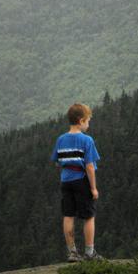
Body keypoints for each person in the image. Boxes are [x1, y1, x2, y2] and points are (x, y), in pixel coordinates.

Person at [51, 102, 104, 261]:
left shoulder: (61, 139)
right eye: (88, 121)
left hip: (65, 181)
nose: (88, 124)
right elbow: (89, 166)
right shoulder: (86, 140)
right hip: (81, 180)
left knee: (68, 215)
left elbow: (56, 162)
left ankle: (72, 252)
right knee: (88, 216)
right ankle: (89, 253)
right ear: (81, 121)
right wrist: (93, 188)